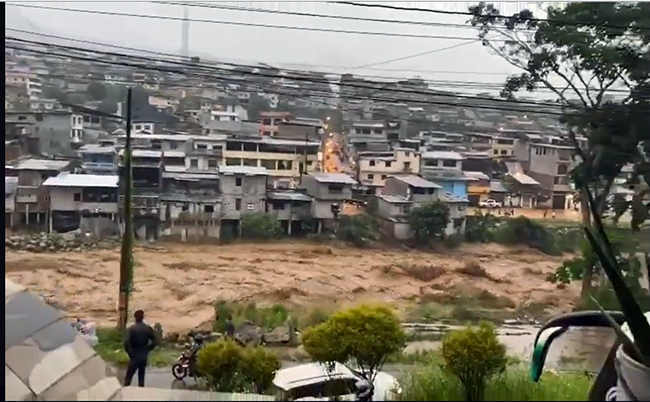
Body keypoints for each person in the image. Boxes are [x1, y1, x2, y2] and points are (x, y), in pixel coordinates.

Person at [123, 310, 158, 387]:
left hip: (134, 355)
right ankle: (141, 394)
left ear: (135, 318)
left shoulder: (131, 329)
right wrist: (148, 349)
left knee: (128, 378)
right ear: (143, 317)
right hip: (143, 354)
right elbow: (155, 341)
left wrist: (130, 353)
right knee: (141, 377)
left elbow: (126, 342)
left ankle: (124, 395)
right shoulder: (148, 328)